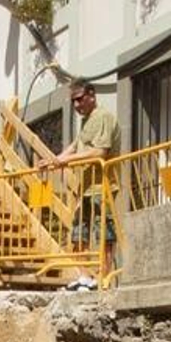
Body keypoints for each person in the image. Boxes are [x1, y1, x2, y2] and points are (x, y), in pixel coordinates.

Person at [42, 80, 121, 291]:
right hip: (85, 188)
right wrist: (54, 160)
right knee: (78, 232)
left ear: (91, 95)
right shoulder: (86, 121)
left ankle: (103, 279)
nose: (76, 105)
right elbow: (76, 145)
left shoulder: (103, 116)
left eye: (79, 99)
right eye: (73, 101)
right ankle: (85, 277)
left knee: (104, 233)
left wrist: (66, 161)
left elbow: (100, 152)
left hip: (102, 185)